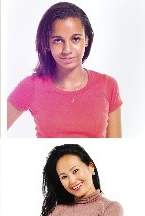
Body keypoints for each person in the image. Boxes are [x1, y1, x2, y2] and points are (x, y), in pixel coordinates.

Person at [7, 2, 121, 138]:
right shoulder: (31, 86)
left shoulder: (108, 85)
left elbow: (116, 150)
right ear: (47, 44)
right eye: (58, 40)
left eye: (75, 39)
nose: (67, 50)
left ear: (86, 40)